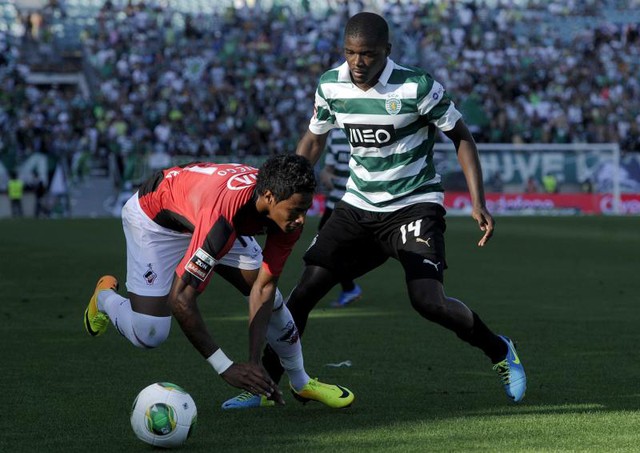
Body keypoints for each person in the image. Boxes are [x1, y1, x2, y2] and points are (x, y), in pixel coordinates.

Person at [225, 12, 526, 408]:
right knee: (303, 292)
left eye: (367, 54)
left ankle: (501, 351)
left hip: (414, 204)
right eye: (350, 53)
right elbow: (314, 140)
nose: (358, 62)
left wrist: (478, 201)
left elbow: (462, 137)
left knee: (428, 301)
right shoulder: (330, 85)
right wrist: (288, 191)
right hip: (358, 206)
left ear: (387, 51)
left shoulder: (418, 86)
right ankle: (264, 386)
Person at [83, 154, 354, 409]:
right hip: (156, 221)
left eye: (305, 210)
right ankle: (105, 296)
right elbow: (181, 299)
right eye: (296, 211)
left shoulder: (286, 209)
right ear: (269, 197)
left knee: (274, 301)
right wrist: (225, 366)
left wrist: (253, 363)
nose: (301, 219)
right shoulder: (223, 219)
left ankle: (301, 382)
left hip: (207, 213)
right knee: (149, 333)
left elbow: (265, 286)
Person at [318, 129, 362, 308]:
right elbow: (329, 170)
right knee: (326, 248)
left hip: (358, 203)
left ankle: (349, 287)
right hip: (335, 202)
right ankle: (349, 287)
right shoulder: (335, 135)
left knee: (335, 250)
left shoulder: (368, 127)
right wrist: (326, 176)